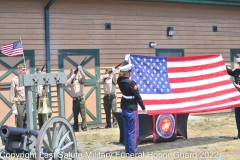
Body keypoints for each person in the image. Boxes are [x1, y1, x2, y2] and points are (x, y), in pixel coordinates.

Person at [117, 63, 146, 155]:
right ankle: (133, 152)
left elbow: (119, 77)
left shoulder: (120, 81)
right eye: (130, 72)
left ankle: (128, 151)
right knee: (133, 132)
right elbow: (137, 96)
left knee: (127, 131)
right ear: (128, 73)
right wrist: (143, 107)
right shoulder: (131, 83)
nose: (131, 73)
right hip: (131, 109)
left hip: (125, 108)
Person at [65, 66, 87, 132]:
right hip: (75, 100)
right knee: (75, 114)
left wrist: (81, 71)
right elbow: (66, 84)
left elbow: (84, 78)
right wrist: (71, 77)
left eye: (73, 73)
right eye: (71, 73)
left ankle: (84, 127)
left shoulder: (79, 79)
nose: (72, 74)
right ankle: (76, 127)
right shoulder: (71, 81)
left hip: (81, 99)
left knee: (83, 114)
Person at [226, 58, 240, 139]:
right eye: (239, 64)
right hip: (238, 98)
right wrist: (220, 63)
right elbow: (228, 71)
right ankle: (239, 134)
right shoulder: (236, 71)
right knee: (238, 117)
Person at [10, 63, 27, 128]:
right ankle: (20, 138)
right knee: (20, 124)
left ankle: (27, 138)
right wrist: (14, 108)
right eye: (23, 70)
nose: (24, 71)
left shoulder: (28, 79)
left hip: (27, 105)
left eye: (25, 69)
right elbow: (12, 95)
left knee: (28, 123)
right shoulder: (15, 80)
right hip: (19, 105)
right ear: (18, 70)